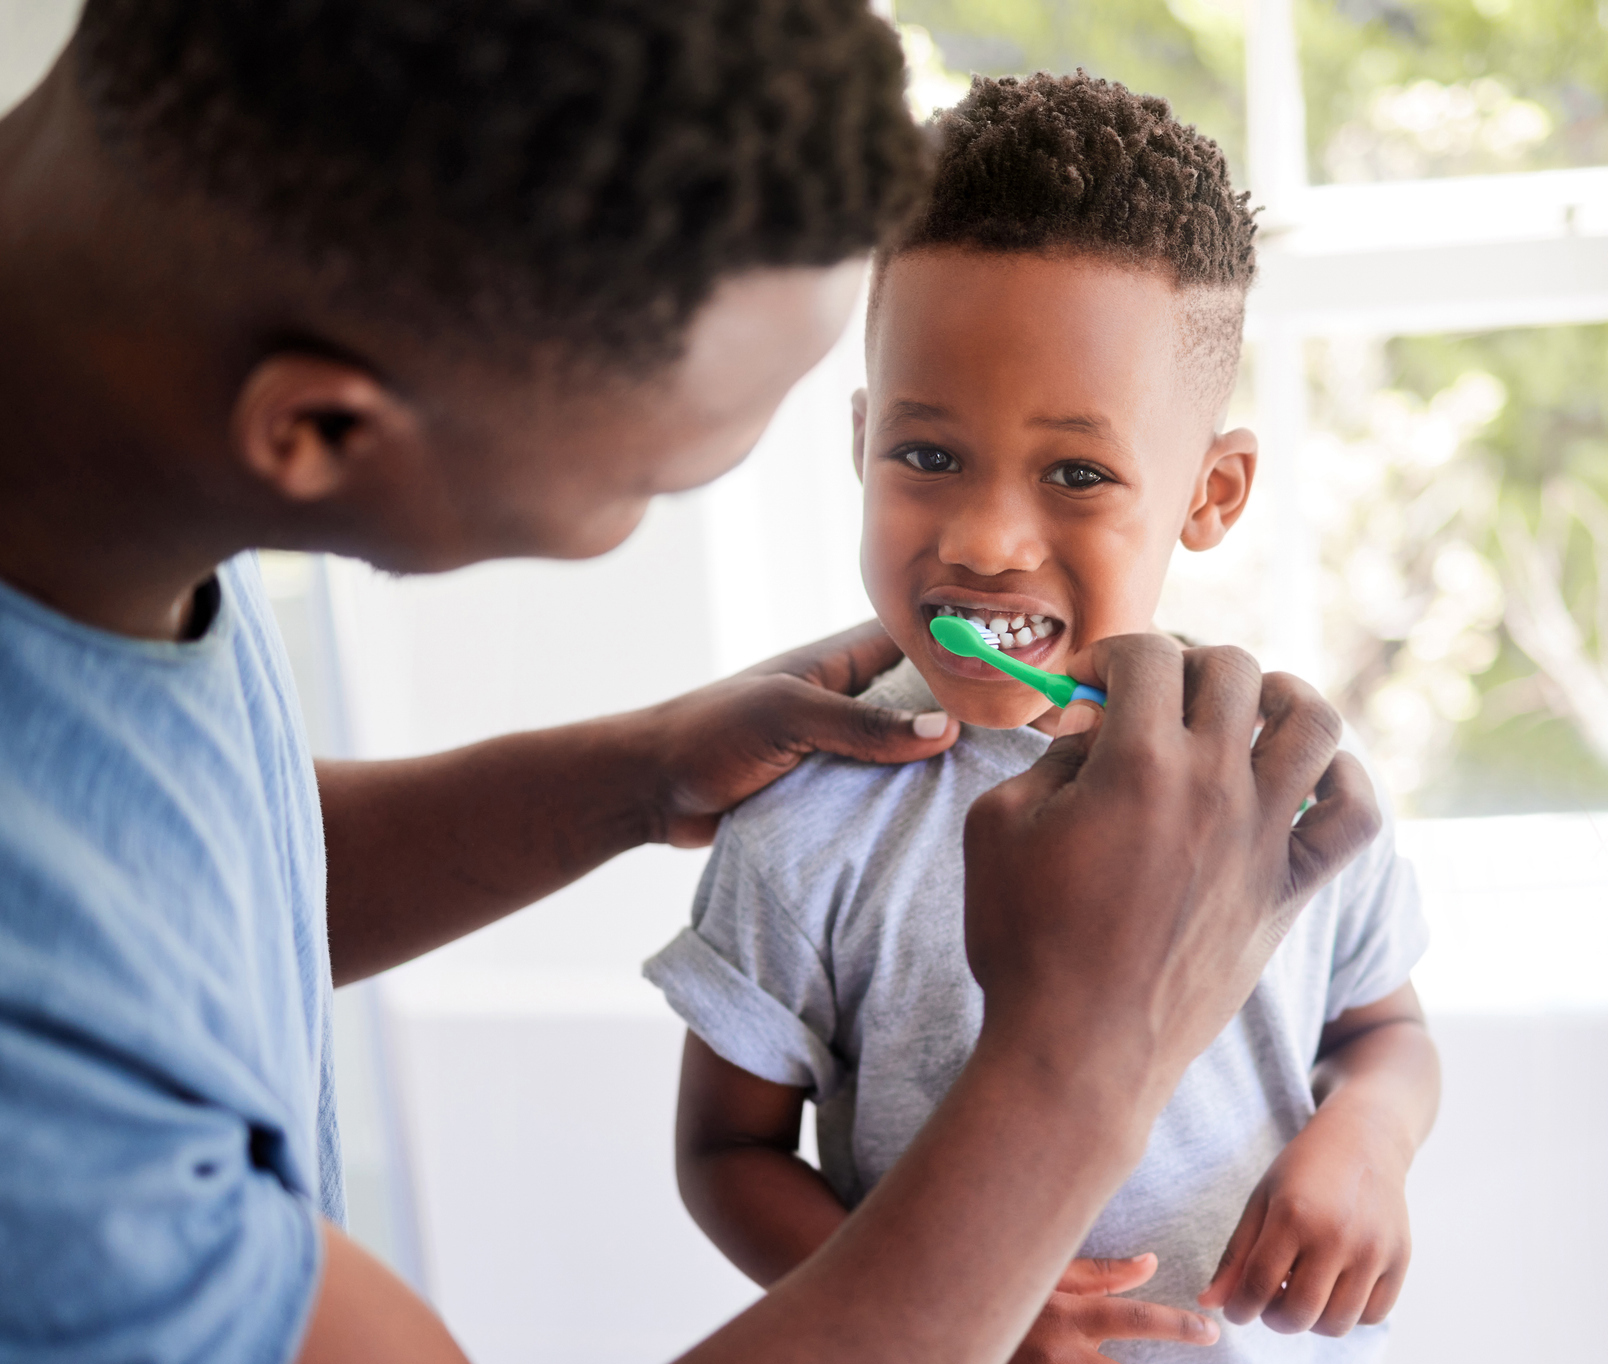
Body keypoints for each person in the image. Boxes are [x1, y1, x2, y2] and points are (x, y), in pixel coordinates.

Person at [0, 5, 1381, 1363]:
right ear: (316, 429)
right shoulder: (55, 1133)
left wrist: (636, 775)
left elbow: (181, 864)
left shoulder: (103, 443)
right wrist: (1087, 1057)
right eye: (649, 480)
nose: (975, 541)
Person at [644, 73, 1441, 1364]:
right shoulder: (804, 820)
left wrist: (1368, 1142)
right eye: (927, 456)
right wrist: (957, 1302)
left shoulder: (1287, 784)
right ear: (861, 443)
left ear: (1213, 492)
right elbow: (725, 1152)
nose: (985, 539)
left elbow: (1382, 1033)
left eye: (1077, 472)